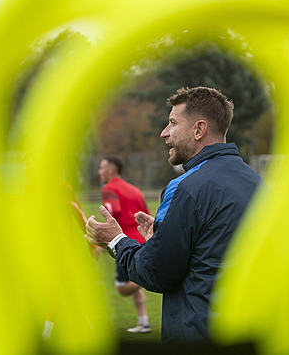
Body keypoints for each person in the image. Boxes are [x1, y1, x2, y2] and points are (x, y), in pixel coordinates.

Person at [86, 86, 263, 343]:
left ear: (199, 129)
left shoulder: (186, 186)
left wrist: (115, 240)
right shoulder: (257, 182)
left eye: (172, 122)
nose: (164, 133)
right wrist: (163, 237)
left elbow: (155, 272)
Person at [98, 156, 152, 334]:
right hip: (142, 238)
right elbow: (147, 216)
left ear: (111, 171)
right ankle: (143, 323)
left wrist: (103, 242)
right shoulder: (135, 190)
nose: (99, 172)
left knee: (123, 288)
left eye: (102, 168)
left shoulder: (109, 189)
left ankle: (149, 273)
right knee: (133, 282)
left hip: (125, 243)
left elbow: (111, 216)